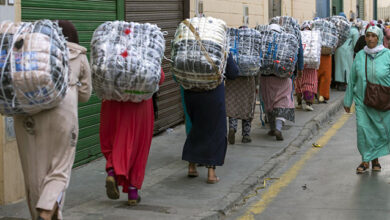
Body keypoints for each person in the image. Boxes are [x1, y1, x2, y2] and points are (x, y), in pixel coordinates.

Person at [13, 20, 92, 220]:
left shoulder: (33, 53)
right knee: (59, 169)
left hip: (25, 113)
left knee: (33, 173)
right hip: (62, 117)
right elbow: (85, 95)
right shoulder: (78, 55)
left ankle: (39, 214)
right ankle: (47, 211)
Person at [100, 68, 165, 205]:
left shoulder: (112, 48)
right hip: (139, 102)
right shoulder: (146, 48)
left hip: (113, 100)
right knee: (139, 144)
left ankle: (112, 171)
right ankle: (132, 191)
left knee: (113, 137)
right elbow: (160, 77)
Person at [183, 53, 238, 183]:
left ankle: (191, 166)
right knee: (216, 130)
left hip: (191, 92)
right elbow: (233, 72)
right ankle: (211, 173)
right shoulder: (219, 44)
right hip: (213, 93)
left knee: (197, 126)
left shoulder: (190, 44)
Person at [344, 25, 390, 174]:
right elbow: (352, 79)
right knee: (364, 130)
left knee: (380, 131)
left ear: (379, 38)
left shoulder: (387, 54)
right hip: (362, 100)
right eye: (368, 35)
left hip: (382, 101)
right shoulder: (360, 56)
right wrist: (347, 100)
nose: (370, 39)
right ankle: (365, 160)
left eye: (373, 36)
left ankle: (375, 159)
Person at [261, 24, 303, 141]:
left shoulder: (264, 41)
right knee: (282, 103)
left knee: (269, 104)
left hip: (266, 78)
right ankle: (278, 128)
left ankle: (272, 128)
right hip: (283, 79)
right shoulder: (285, 43)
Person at [226, 27, 257, 144]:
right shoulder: (252, 45)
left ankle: (232, 128)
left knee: (233, 104)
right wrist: (257, 84)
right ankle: (246, 135)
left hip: (233, 79)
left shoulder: (232, 43)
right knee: (247, 105)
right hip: (248, 80)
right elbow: (257, 65)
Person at [295, 22, 318, 111]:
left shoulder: (299, 35)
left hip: (300, 65)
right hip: (311, 66)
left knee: (299, 83)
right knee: (310, 83)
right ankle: (308, 103)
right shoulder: (314, 36)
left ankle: (299, 103)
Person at [334, 20, 360, 91]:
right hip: (347, 51)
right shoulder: (354, 31)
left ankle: (338, 84)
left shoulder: (340, 30)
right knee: (346, 67)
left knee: (338, 67)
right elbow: (355, 44)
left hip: (338, 50)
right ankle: (345, 84)